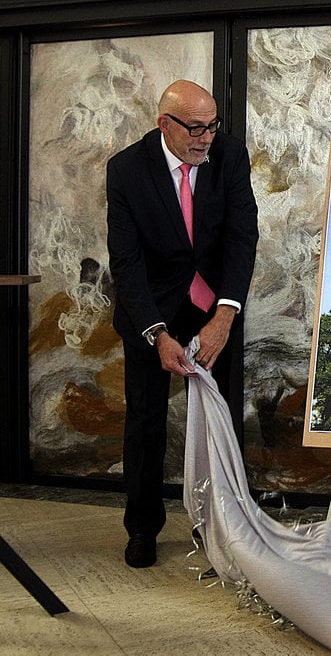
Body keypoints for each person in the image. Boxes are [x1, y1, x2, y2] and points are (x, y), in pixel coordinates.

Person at [107, 80, 259, 568]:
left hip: (216, 307)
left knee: (221, 418)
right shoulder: (127, 170)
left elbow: (242, 236)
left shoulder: (230, 156)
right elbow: (126, 264)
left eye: (212, 126)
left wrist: (226, 314)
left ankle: (224, 523)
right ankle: (143, 528)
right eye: (195, 128)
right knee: (146, 423)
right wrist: (156, 332)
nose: (206, 138)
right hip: (152, 311)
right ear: (164, 124)